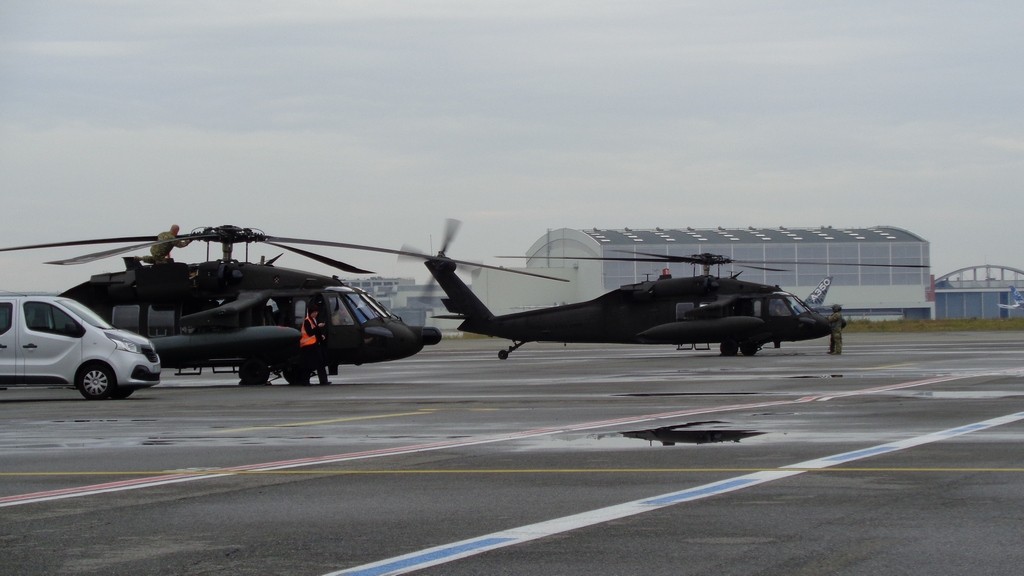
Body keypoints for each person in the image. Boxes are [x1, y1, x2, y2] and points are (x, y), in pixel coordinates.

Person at [299, 304, 330, 385]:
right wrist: (318, 327)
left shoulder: (314, 320)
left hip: (314, 345)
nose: (316, 314)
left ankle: (323, 381)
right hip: (308, 346)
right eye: (314, 312)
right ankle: (305, 381)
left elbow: (316, 333)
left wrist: (321, 337)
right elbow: (310, 333)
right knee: (310, 364)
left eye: (317, 312)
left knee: (320, 363)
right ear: (310, 312)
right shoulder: (307, 321)